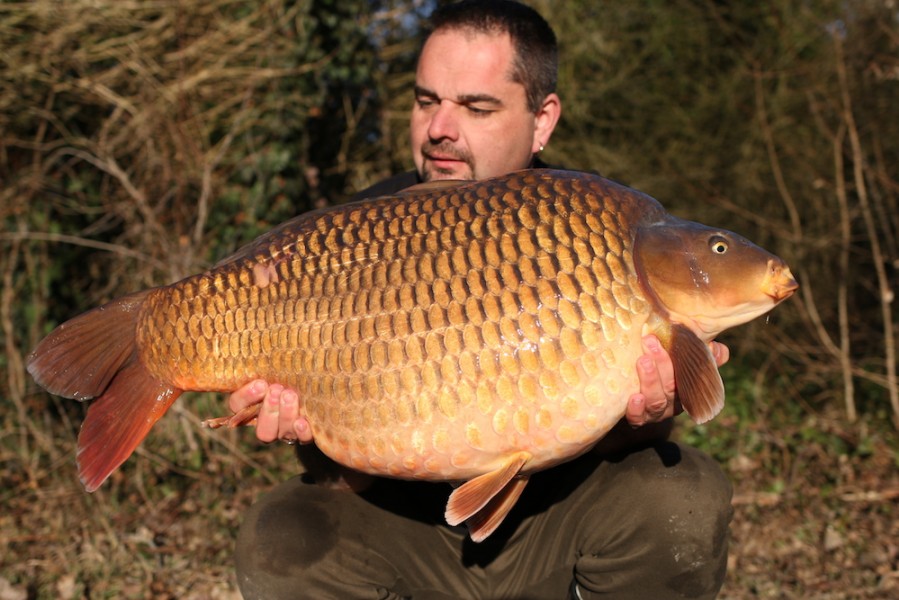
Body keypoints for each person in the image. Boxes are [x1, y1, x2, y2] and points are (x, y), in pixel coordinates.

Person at [230, 2, 733, 598]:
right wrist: (312, 434)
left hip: (558, 522)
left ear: (542, 120)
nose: (440, 128)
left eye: (476, 106)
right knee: (281, 535)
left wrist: (649, 416)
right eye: (426, 102)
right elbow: (342, 482)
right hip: (405, 527)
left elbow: (626, 436)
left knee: (684, 495)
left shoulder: (592, 224)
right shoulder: (353, 236)